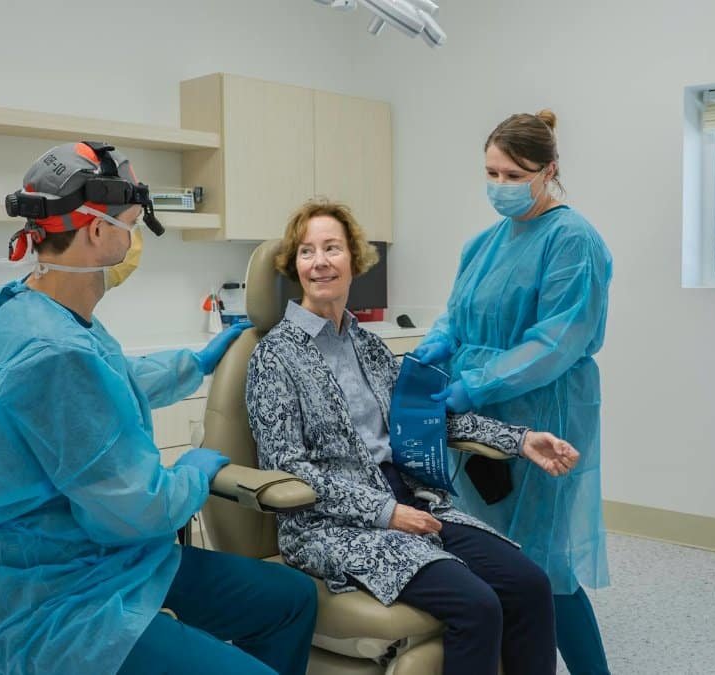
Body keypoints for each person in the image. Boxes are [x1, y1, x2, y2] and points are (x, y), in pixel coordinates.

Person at [0, 141, 317, 675]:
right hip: (58, 601)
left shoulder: (33, 304)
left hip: (100, 558)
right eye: (131, 224)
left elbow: (111, 381)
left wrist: (196, 362)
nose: (134, 239)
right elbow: (139, 509)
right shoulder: (55, 351)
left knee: (290, 598)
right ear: (98, 232)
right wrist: (193, 470)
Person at [247, 198, 581, 675]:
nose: (320, 262)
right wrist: (385, 512)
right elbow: (289, 469)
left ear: (353, 259)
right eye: (306, 252)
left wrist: (521, 440)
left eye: (332, 248)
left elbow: (427, 421)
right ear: (293, 267)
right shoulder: (273, 358)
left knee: (529, 583)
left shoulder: (367, 344)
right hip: (333, 526)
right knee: (478, 605)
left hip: (415, 502)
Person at [413, 110, 613, 674]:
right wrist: (435, 349)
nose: (498, 187)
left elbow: (556, 342)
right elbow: (456, 316)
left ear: (548, 170)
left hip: (544, 410)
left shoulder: (573, 240)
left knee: (545, 565)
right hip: (480, 416)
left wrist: (475, 384)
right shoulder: (484, 243)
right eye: (491, 173)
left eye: (512, 175)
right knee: (490, 553)